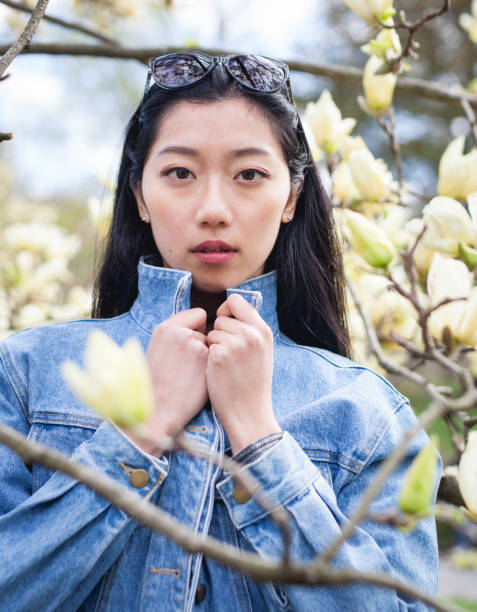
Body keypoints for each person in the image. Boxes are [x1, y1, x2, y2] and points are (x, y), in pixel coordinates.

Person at [0, 52, 440, 611]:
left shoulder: (369, 414)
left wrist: (262, 442)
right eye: (180, 173)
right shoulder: (26, 374)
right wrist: (140, 432)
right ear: (139, 195)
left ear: (292, 197)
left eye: (249, 175)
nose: (213, 209)